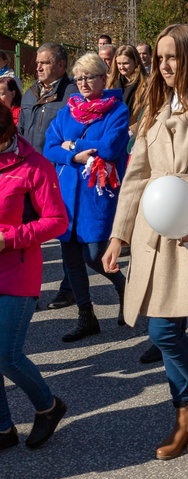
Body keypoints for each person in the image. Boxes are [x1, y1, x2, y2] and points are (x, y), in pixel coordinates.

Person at [102, 23, 188, 461]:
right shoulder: (154, 108)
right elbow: (135, 177)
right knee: (163, 328)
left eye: (172, 57)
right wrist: (118, 234)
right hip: (149, 231)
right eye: (158, 57)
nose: (163, 66)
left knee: (165, 330)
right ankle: (184, 413)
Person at [44, 53, 130, 342]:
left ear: (103, 78)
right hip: (67, 194)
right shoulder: (67, 111)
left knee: (95, 255)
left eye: (89, 76)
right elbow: (50, 148)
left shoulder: (117, 110)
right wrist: (72, 155)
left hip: (98, 194)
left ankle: (123, 288)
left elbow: (110, 147)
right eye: (79, 77)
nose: (83, 83)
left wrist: (75, 145)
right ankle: (86, 316)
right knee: (70, 257)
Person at [0, 104, 69, 451]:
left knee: (6, 356)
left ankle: (49, 406)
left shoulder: (34, 167)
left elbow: (57, 220)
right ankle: (2, 428)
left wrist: (8, 238)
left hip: (18, 270)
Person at [18, 42, 78, 310]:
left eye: (45, 62)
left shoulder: (72, 94)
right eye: (38, 62)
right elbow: (19, 131)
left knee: (64, 234)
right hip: (28, 175)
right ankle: (24, 290)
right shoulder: (30, 94)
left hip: (58, 173)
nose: (38, 66)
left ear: (61, 66)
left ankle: (70, 288)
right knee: (27, 233)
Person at [106, 45, 148, 126]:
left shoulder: (146, 84)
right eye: (119, 63)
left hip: (134, 133)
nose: (122, 67)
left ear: (135, 62)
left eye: (125, 63)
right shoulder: (111, 83)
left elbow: (147, 115)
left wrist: (132, 130)